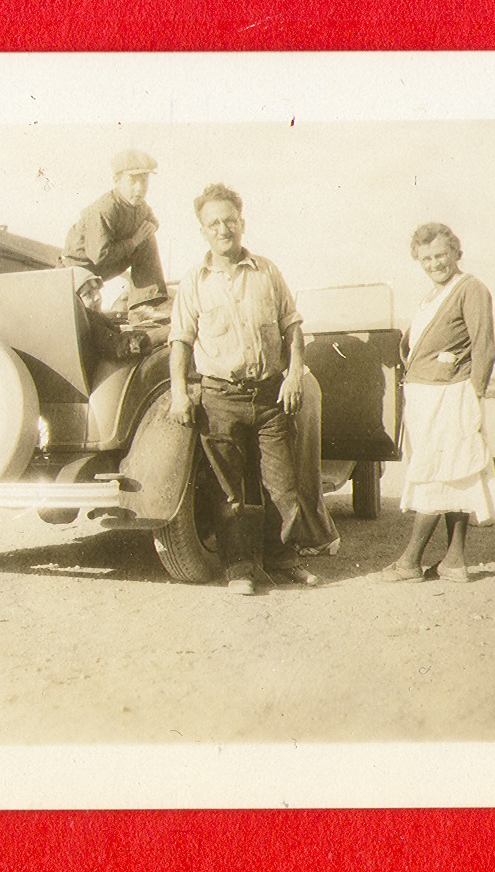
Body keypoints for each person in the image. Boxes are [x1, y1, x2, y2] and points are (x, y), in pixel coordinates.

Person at [168, 183, 318, 595]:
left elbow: (292, 325)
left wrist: (294, 373)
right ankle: (241, 570)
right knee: (230, 491)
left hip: (270, 395)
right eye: (213, 223)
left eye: (230, 220)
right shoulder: (194, 282)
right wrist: (180, 393)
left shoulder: (267, 272)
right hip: (220, 398)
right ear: (203, 231)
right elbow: (180, 341)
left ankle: (283, 560)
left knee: (282, 485)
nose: (223, 229)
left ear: (242, 223)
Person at [381, 223, 495, 584]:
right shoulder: (431, 297)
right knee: (454, 473)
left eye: (440, 255)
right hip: (427, 395)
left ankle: (410, 561)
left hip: (451, 395)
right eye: (426, 258)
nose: (434, 263)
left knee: (438, 473)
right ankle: (454, 561)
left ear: (456, 252)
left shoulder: (470, 289)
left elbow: (484, 346)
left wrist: (475, 394)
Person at [62, 149, 168, 316]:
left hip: (106, 265)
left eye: (144, 180)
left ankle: (144, 305)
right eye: (132, 181)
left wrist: (149, 229)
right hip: (80, 267)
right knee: (87, 311)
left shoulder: (139, 205)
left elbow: (153, 221)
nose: (139, 188)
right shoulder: (104, 208)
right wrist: (133, 241)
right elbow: (99, 255)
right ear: (116, 181)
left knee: (148, 236)